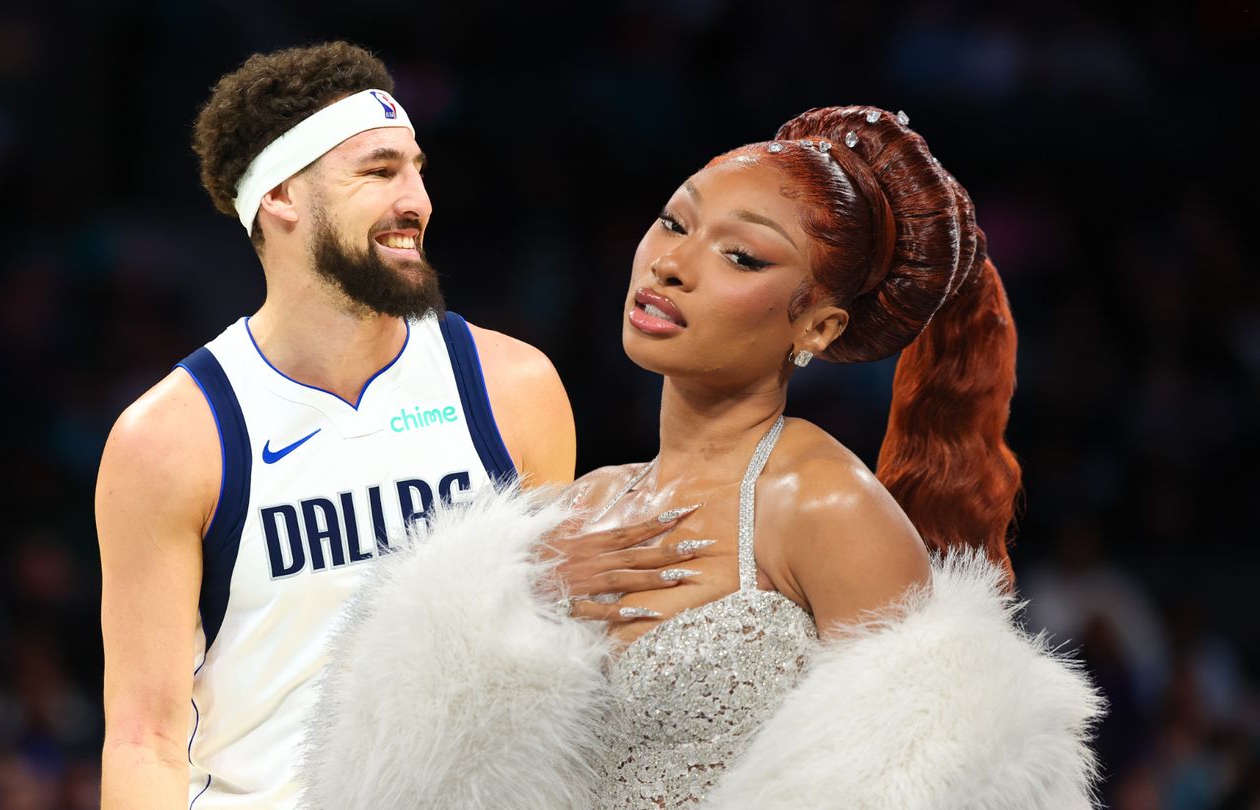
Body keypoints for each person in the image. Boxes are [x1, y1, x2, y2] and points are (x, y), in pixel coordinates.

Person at [304, 106, 1104, 809]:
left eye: (742, 256)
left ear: (818, 327)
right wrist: (498, 606)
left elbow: (936, 774)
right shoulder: (581, 505)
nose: (670, 263)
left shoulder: (820, 502)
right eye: (674, 222)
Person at [93, 42, 688, 809]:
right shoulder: (172, 438)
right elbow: (144, 737)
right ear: (281, 196)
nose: (418, 201)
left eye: (417, 169)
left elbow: (563, 656)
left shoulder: (511, 388)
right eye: (379, 172)